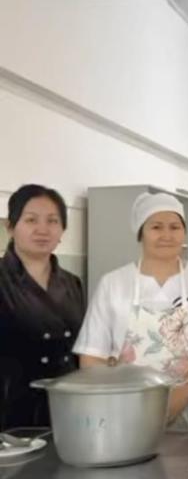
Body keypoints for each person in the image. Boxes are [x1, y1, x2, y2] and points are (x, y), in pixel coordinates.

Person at [73, 192, 188, 430]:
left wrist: (180, 398)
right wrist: (120, 403)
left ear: (184, 232)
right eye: (156, 227)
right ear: (141, 233)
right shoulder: (113, 283)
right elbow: (92, 356)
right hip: (127, 412)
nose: (167, 235)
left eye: (175, 227)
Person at [0, 184, 85, 429]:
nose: (42, 229)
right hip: (11, 412)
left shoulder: (72, 283)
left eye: (52, 221)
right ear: (11, 227)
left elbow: (80, 348)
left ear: (62, 230)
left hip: (66, 409)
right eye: (31, 220)